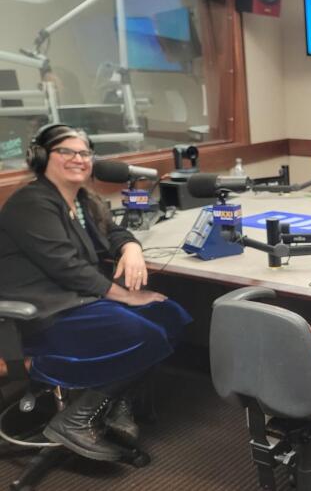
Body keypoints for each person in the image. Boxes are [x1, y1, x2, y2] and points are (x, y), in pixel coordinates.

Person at [0, 123, 192, 462]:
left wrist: (130, 248)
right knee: (143, 332)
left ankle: (117, 401)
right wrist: (128, 296)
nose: (79, 159)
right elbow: (67, 268)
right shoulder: (31, 204)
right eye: (67, 152)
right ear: (43, 158)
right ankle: (77, 420)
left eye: (85, 153)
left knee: (170, 315)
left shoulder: (82, 200)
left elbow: (113, 231)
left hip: (77, 302)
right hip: (43, 314)